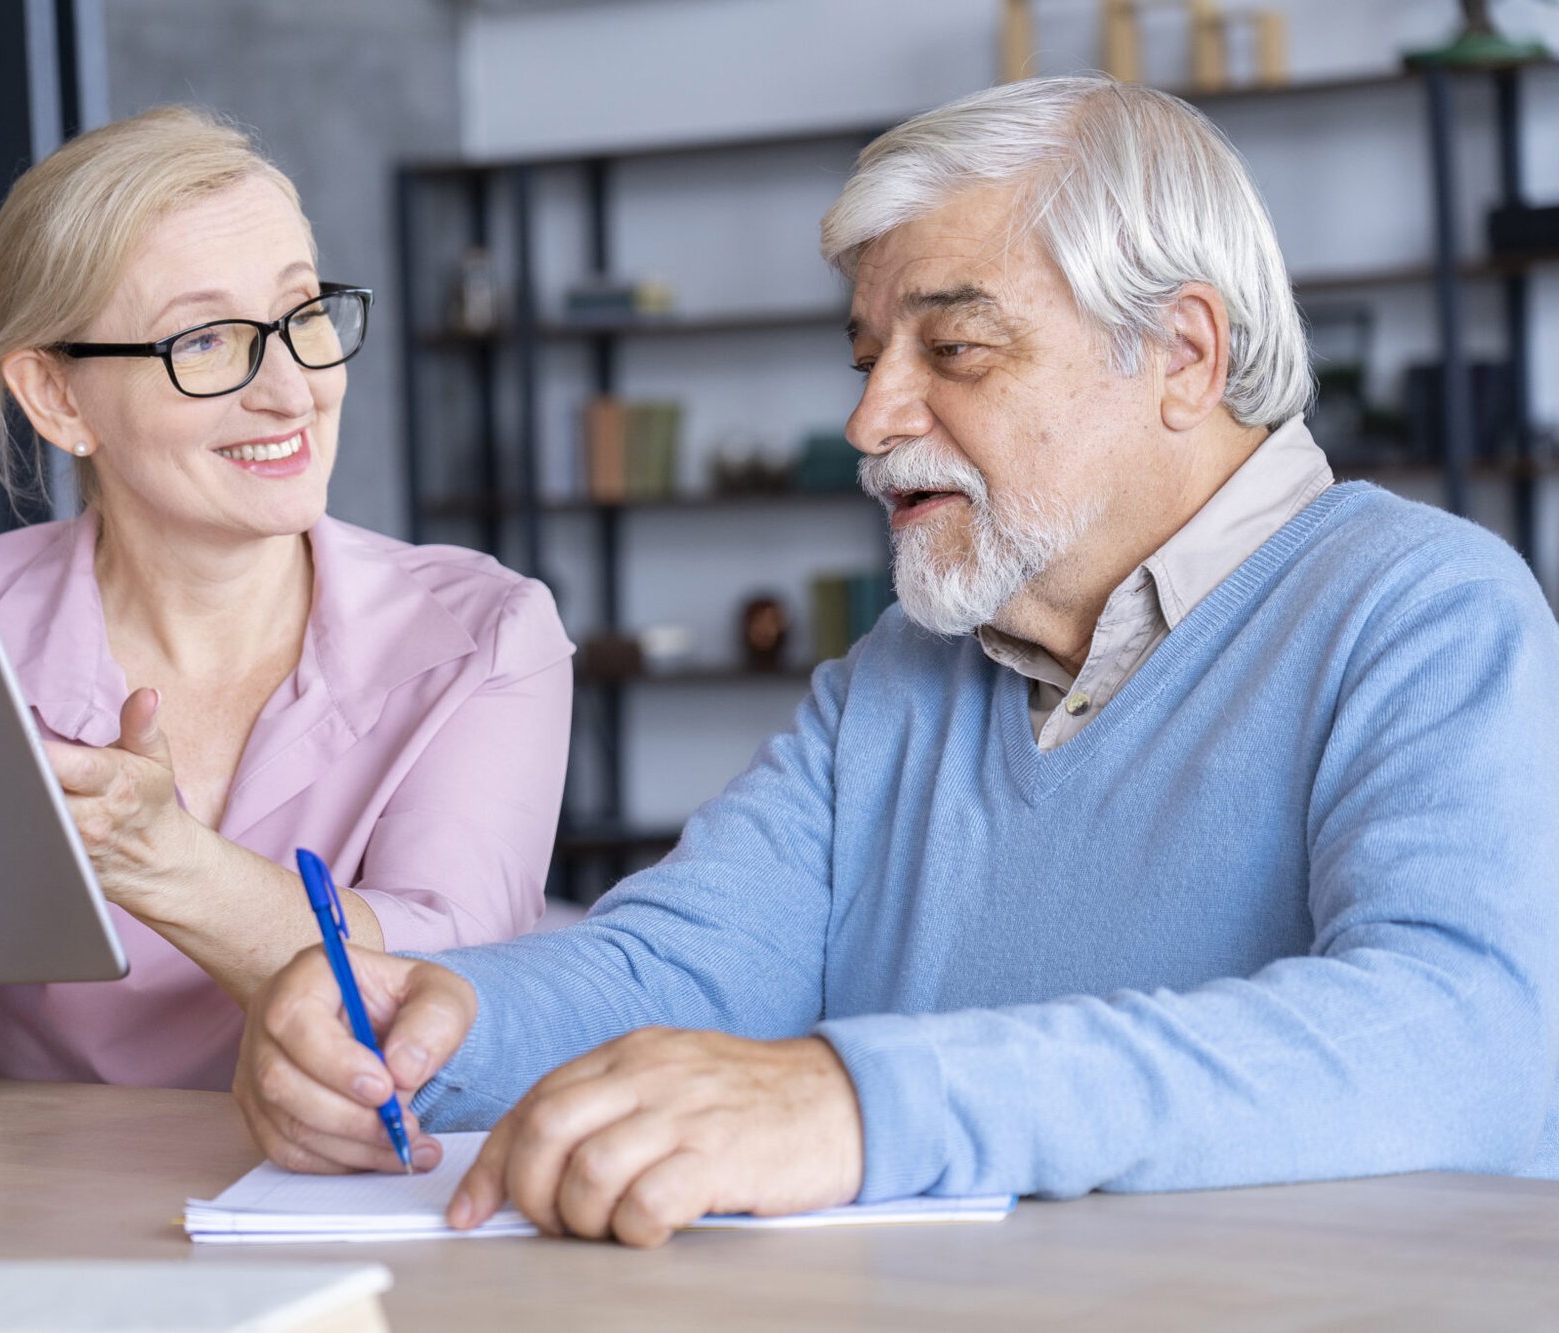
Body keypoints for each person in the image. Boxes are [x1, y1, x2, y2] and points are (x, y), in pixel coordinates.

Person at [234, 75, 1559, 1248]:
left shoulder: (1425, 614)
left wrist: (862, 1101)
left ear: (1182, 355)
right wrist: (438, 1017)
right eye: (869, 357)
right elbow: (685, 966)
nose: (871, 418)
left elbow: (1464, 1042)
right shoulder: (901, 673)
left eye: (956, 348)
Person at [0, 106, 574, 1109]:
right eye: (204, 341)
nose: (292, 390)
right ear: (56, 399)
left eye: (302, 315)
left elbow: (448, 1015)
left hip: (366, 1207)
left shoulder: (483, 634)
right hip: (32, 1231)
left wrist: (167, 865)